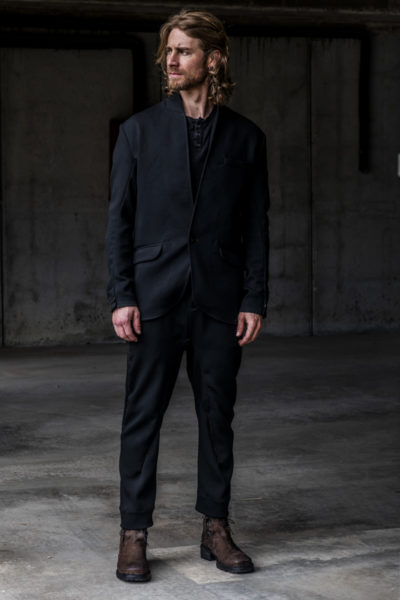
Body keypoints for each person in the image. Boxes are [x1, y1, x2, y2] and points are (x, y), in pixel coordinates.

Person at [106, 9, 270, 583]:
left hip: (220, 301)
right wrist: (122, 294)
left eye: (183, 51)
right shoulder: (139, 131)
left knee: (217, 417)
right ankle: (133, 533)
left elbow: (256, 226)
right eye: (168, 51)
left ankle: (216, 528)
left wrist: (254, 297)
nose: (170, 61)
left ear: (213, 59)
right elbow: (119, 221)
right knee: (142, 416)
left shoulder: (247, 137)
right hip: (153, 297)